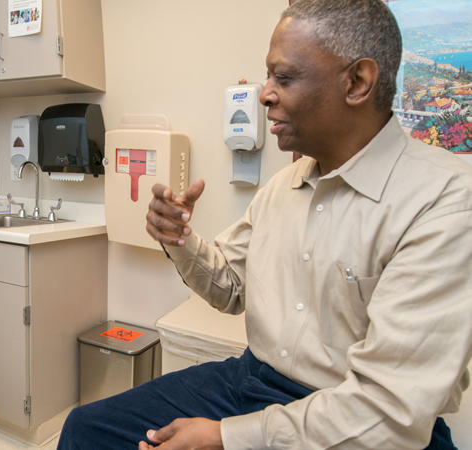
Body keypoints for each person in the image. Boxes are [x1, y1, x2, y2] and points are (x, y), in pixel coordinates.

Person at [58, 0, 472, 449]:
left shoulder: (445, 200)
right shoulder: (282, 187)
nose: (264, 94)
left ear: (357, 82)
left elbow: (388, 412)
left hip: (362, 414)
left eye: (285, 78)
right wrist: (179, 239)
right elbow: (231, 288)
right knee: (87, 429)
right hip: (252, 381)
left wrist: (226, 437)